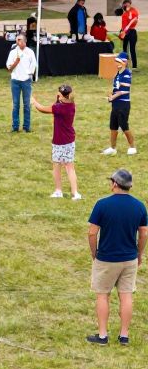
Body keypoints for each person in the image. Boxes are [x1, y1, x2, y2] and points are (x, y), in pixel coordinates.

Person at [86, 169, 148, 346]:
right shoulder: (139, 206)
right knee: (126, 295)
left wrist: (94, 252)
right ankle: (124, 336)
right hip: (129, 258)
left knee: (102, 295)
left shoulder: (102, 204)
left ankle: (103, 335)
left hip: (106, 258)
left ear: (114, 183)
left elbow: (92, 233)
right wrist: (139, 253)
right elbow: (144, 233)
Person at [32, 84, 81, 200]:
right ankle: (74, 193)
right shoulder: (71, 105)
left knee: (58, 165)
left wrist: (34, 101)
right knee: (69, 167)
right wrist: (58, 98)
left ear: (62, 96)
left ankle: (60, 190)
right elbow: (56, 104)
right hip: (69, 140)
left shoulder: (59, 108)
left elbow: (42, 109)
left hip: (59, 141)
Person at [103, 52, 136, 156]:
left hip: (123, 104)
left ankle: (132, 147)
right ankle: (112, 148)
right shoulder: (118, 74)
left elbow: (124, 91)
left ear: (125, 62)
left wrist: (112, 97)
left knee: (124, 125)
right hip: (116, 104)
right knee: (113, 126)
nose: (118, 64)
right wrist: (111, 97)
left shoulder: (127, 73)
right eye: (117, 61)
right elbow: (116, 89)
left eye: (120, 61)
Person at [6, 34, 37, 133]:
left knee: (26, 104)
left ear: (25, 41)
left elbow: (34, 64)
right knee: (16, 104)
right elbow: (9, 66)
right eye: (17, 40)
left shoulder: (30, 52)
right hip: (15, 80)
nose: (18, 42)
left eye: (20, 40)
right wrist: (15, 62)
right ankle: (15, 126)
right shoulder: (13, 52)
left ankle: (26, 127)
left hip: (26, 80)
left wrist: (29, 74)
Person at [119, 0, 138, 68]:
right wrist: (121, 31)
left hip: (132, 32)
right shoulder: (124, 14)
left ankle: (134, 66)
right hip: (125, 32)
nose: (126, 4)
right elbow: (123, 24)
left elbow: (134, 20)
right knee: (124, 49)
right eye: (125, 3)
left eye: (128, 3)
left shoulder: (134, 11)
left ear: (130, 4)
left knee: (132, 49)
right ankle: (125, 65)